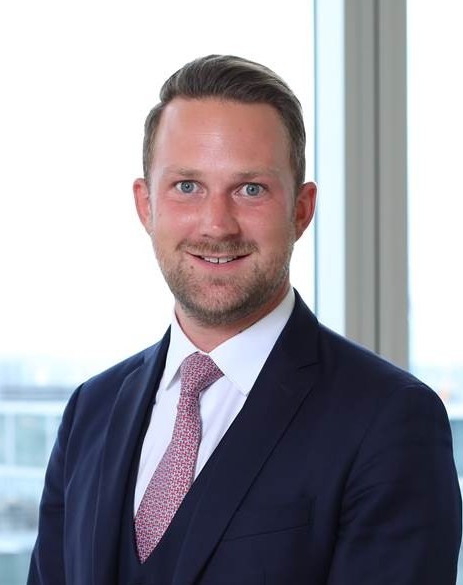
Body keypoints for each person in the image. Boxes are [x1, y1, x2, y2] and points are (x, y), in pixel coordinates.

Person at [28, 54, 461, 585]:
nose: (217, 225)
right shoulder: (89, 412)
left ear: (301, 210)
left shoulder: (389, 421)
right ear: (146, 205)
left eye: (251, 189)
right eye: (187, 186)